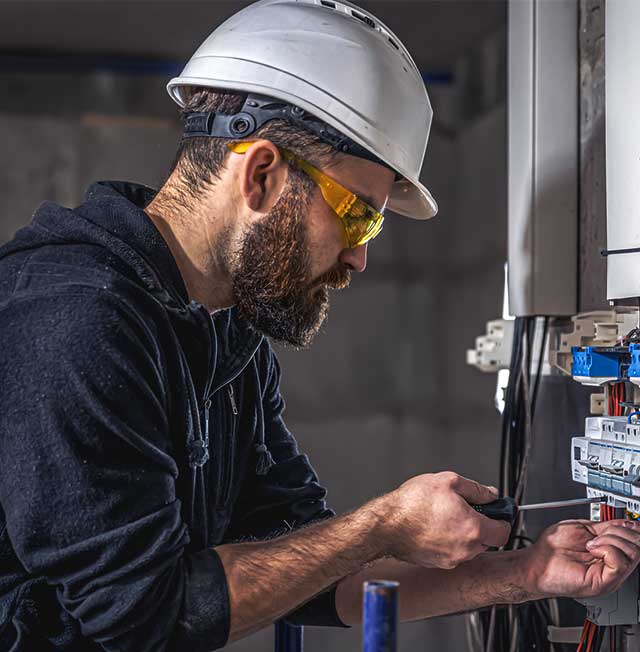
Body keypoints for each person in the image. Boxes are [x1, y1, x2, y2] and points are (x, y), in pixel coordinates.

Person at [1, 1, 638, 650]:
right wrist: (383, 524)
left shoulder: (227, 335)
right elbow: (144, 614)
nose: (360, 255)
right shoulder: (76, 320)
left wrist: (526, 573)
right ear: (262, 174)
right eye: (357, 215)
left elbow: (307, 568)